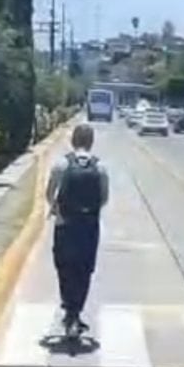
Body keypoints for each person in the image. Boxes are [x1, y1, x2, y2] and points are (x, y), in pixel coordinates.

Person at [46, 123, 109, 337]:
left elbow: (49, 193)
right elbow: (104, 198)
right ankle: (76, 311)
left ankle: (68, 308)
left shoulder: (61, 164)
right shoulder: (100, 167)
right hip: (89, 227)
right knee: (84, 270)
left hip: (65, 225)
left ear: (73, 140)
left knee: (64, 268)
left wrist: (58, 211)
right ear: (91, 141)